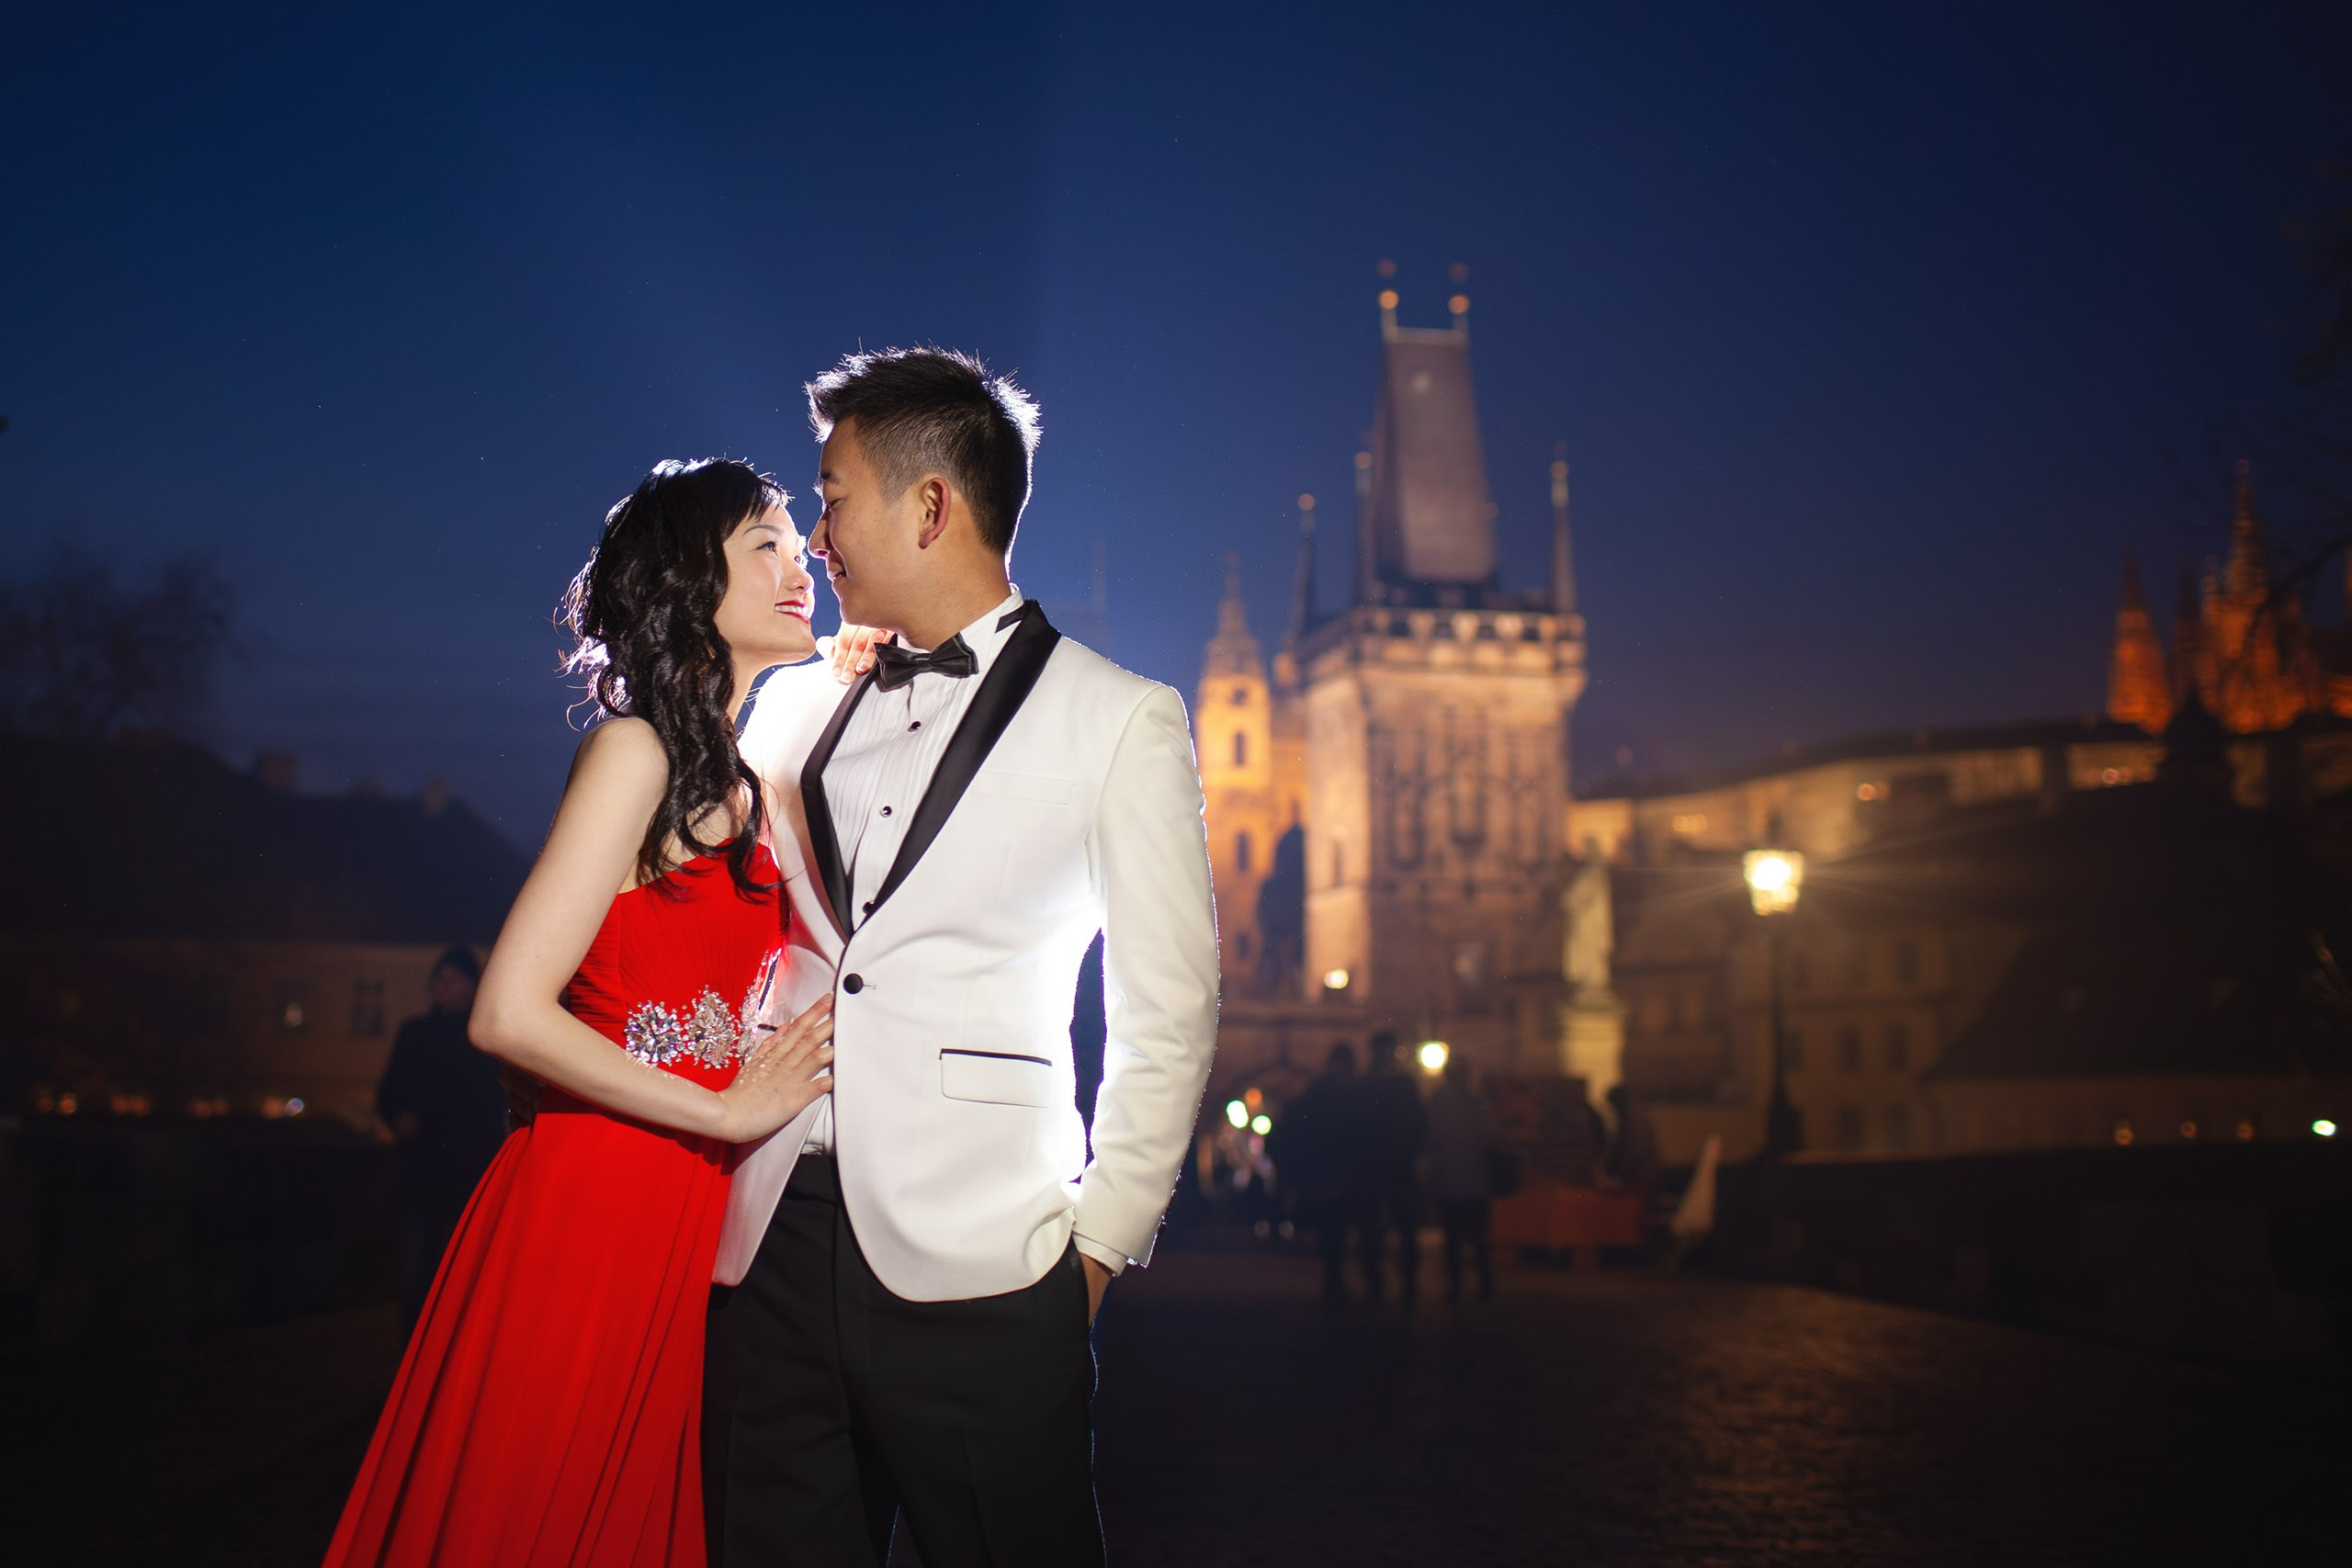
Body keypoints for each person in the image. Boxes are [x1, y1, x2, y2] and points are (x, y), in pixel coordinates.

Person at [714, 348, 1219, 1567]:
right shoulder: (792, 704)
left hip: (990, 1256)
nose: (817, 536)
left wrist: (1093, 1254)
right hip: (770, 1239)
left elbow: (1170, 1008)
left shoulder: (1120, 716)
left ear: (930, 503)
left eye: (832, 497)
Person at [324, 458, 842, 1566]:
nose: (802, 565)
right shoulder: (634, 749)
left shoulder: (743, 775)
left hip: (681, 1208)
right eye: (766, 543)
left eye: (801, 544)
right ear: (687, 580)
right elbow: (505, 1013)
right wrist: (724, 1109)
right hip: (591, 1195)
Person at [375, 945, 505, 1331]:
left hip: (467, 1173)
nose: (445, 986)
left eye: (454, 978)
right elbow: (389, 1090)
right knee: (416, 1272)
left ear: (471, 985)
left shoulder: (481, 1037)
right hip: (420, 1174)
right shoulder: (414, 1033)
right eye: (441, 978)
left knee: (463, 1273)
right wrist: (398, 1117)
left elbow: (480, 1100)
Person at [1266, 1042, 1360, 1303]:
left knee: (1335, 1232)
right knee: (1334, 1232)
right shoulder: (1333, 1095)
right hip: (1328, 1174)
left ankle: (1335, 1282)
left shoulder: (1322, 1094)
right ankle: (1335, 1283)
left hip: (1331, 1174)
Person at [1351, 1031, 1429, 1305]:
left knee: (1382, 1229)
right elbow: (1419, 1124)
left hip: (1380, 1167)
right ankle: (1397, 1283)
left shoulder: (1367, 1084)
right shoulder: (1400, 1084)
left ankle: (1384, 1283)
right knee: (1397, 1228)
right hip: (1393, 1166)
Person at [1427, 1055, 1499, 1304]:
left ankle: (1456, 1287)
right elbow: (1489, 1139)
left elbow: (1433, 1139)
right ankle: (1485, 1287)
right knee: (1478, 1239)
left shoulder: (1439, 1103)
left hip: (1451, 1182)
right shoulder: (1478, 1102)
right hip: (1476, 1183)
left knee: (1453, 1241)